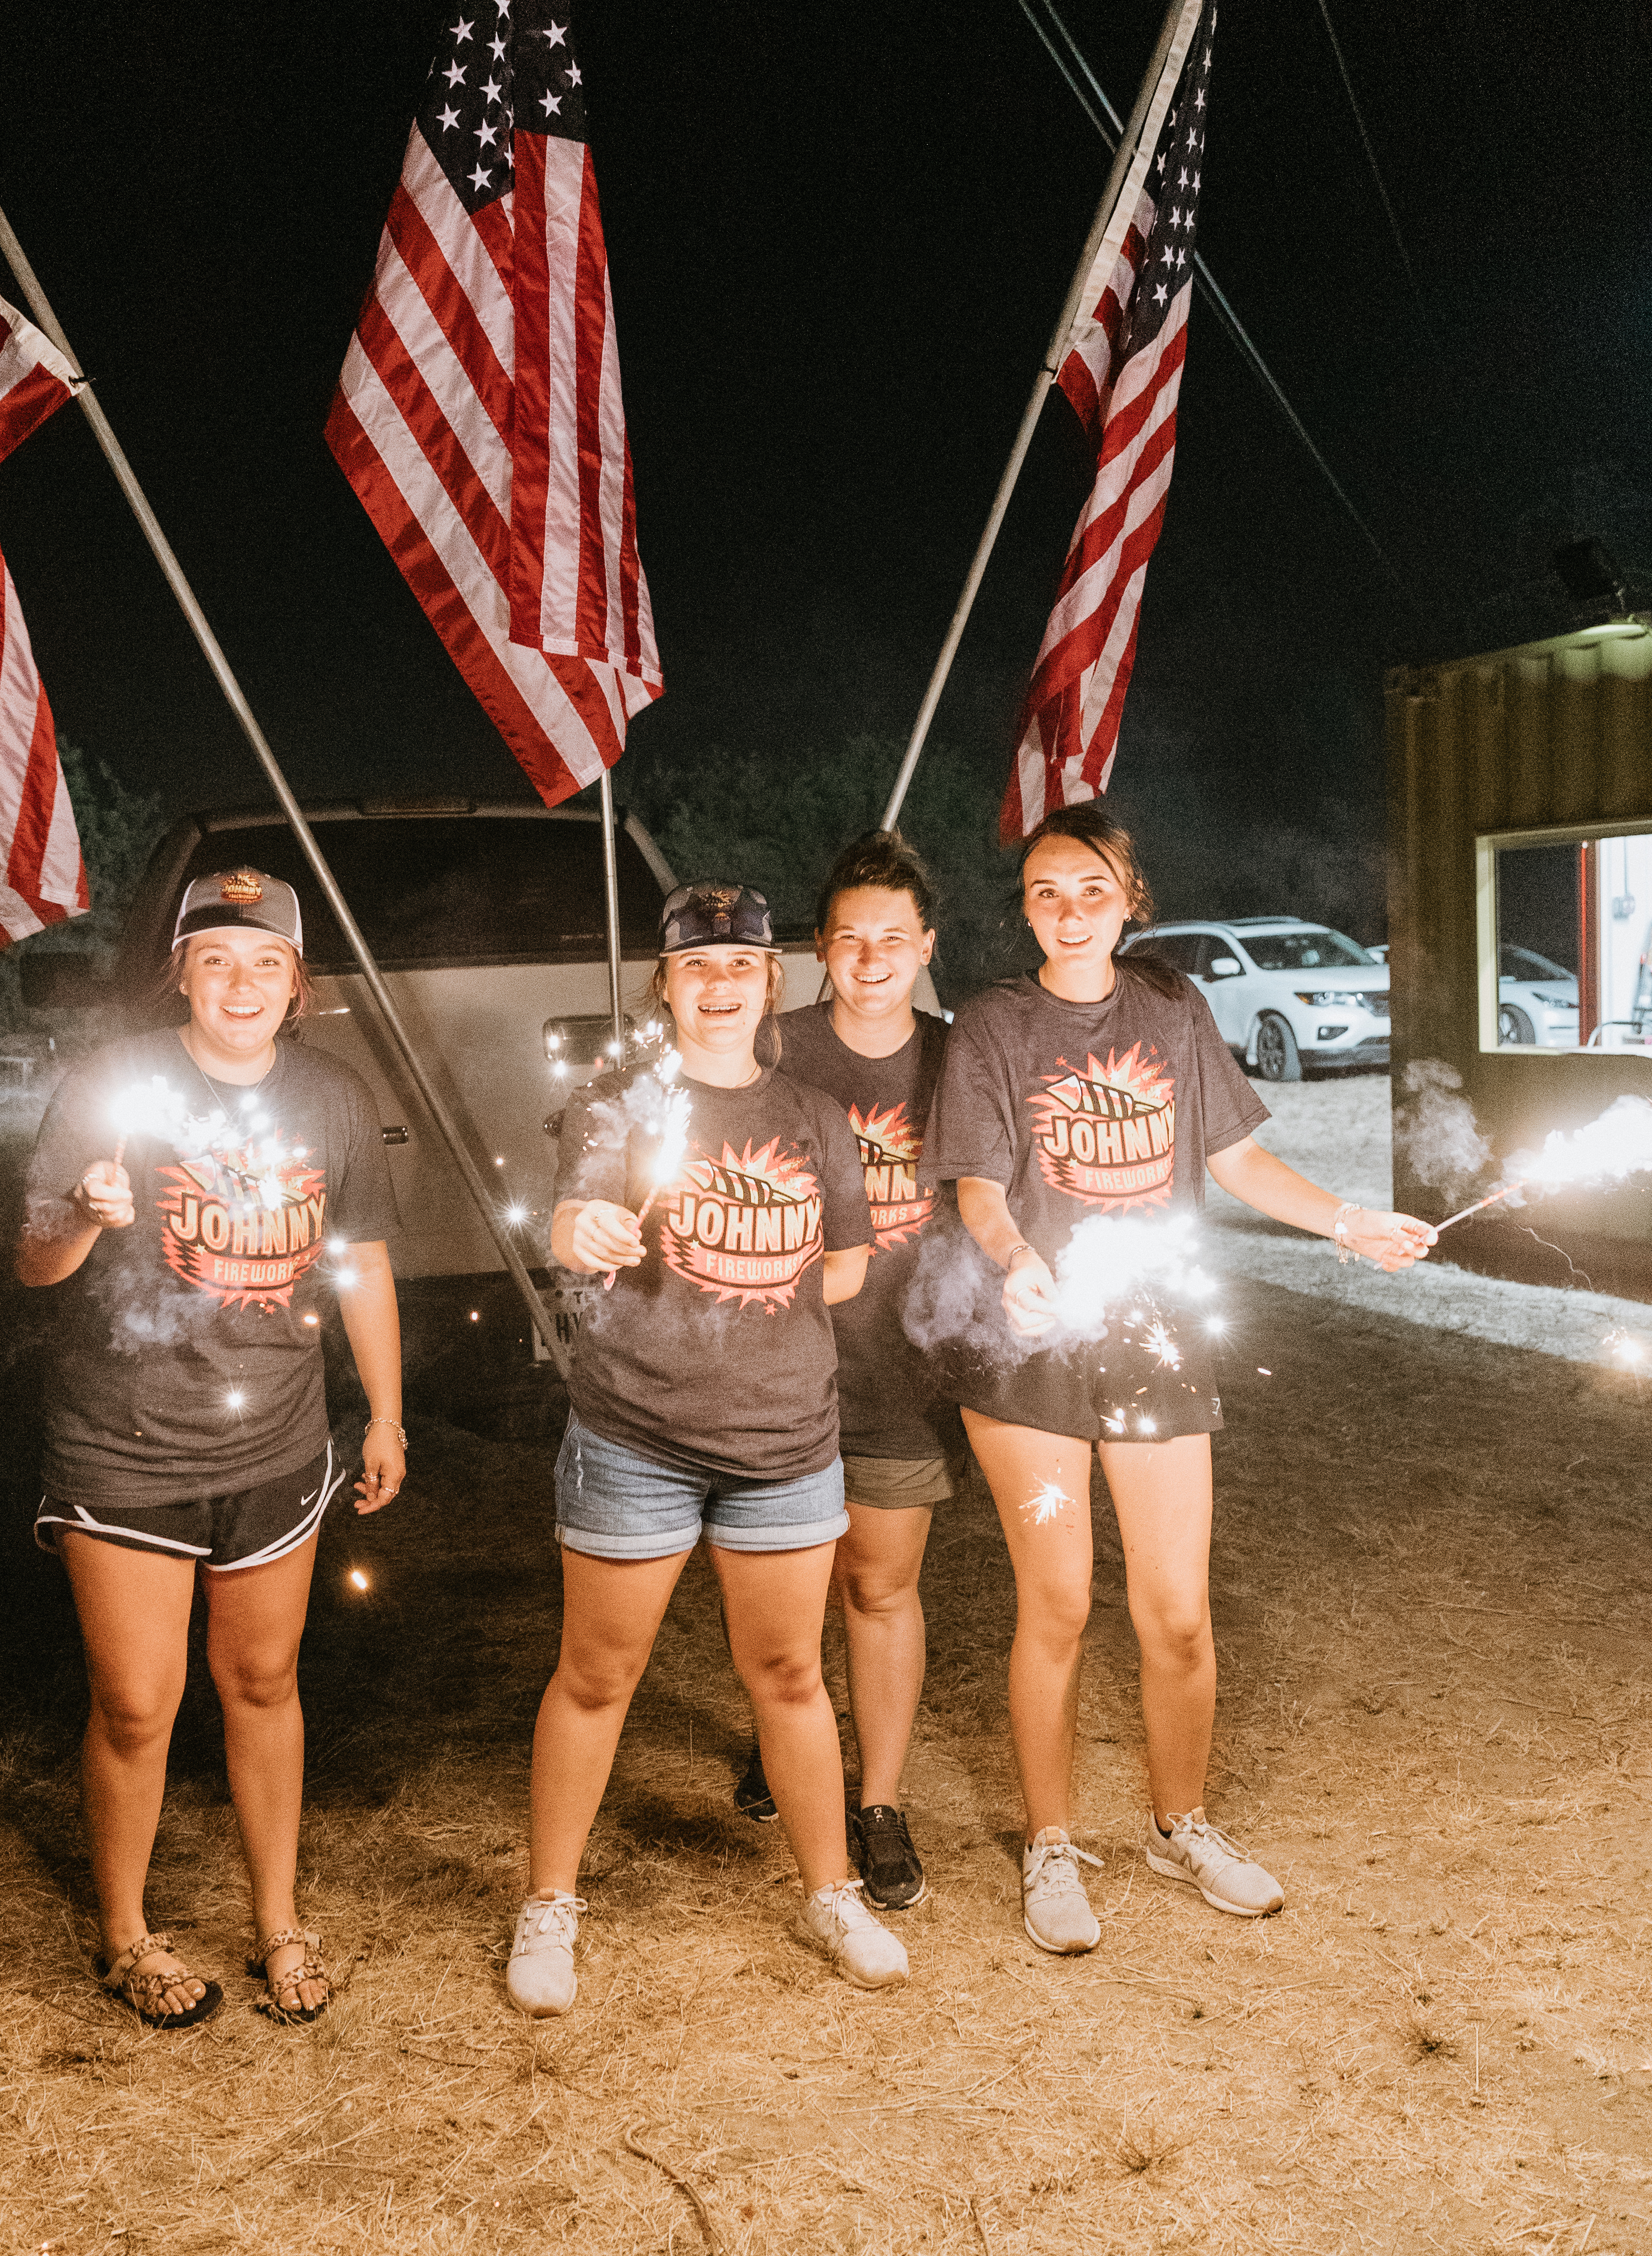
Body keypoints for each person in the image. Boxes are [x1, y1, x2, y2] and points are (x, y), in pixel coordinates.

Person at [921, 805, 1430, 1957]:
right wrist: (1014, 1262)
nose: (1068, 911)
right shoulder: (994, 1025)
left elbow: (1235, 1157)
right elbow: (980, 1188)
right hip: (1030, 1358)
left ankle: (1178, 1823)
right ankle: (1052, 1845)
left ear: (1129, 900)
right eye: (1046, 892)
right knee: (1056, 1605)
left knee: (1178, 1616)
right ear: (1025, 908)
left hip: (1156, 1346)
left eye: (1090, 890)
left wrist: (1348, 1221)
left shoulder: (1172, 1010)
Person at [507, 879, 909, 2015]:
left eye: (740, 965)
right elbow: (573, 1218)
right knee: (598, 1676)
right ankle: (549, 1906)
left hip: (784, 1440)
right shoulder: (619, 1103)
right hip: (637, 1433)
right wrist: (579, 1230)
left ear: (768, 983)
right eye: (697, 966)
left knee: (788, 1675)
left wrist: (756, 1279)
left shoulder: (813, 1116)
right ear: (668, 984)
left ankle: (833, 1892)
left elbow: (845, 1265)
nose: (719, 984)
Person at [16, 867, 405, 2029]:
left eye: (267, 962)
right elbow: (32, 1261)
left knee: (264, 1682)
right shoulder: (111, 1084)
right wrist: (84, 1212)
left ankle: (280, 1918)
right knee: (138, 1704)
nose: (242, 982)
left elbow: (364, 1262)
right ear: (181, 968)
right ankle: (128, 1935)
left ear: (297, 985)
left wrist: (383, 1411)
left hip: (277, 1445)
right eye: (218, 957)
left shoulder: (333, 1096)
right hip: (125, 1445)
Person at [734, 828, 959, 1914]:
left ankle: (878, 1801)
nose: (871, 960)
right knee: (789, 1584)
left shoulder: (959, 1057)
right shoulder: (768, 1048)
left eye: (894, 939)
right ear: (818, 950)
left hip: (899, 1368)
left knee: (879, 1585)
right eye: (849, 939)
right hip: (774, 1367)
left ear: (926, 947)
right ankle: (783, 1735)